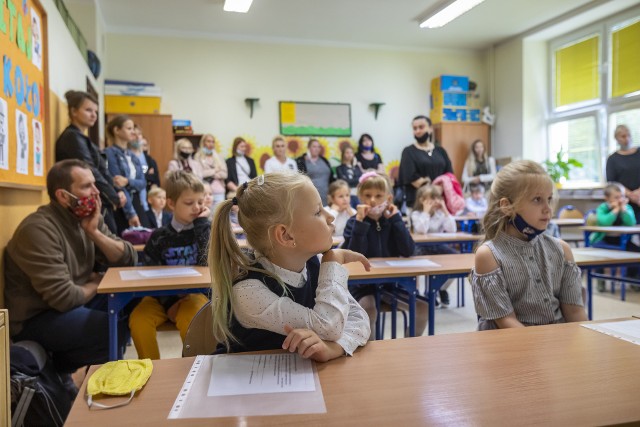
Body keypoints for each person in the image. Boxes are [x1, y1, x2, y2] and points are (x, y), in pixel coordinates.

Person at [209, 172, 370, 361]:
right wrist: (333, 263)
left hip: (297, 378)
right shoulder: (247, 290)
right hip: (244, 382)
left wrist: (334, 348)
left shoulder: (314, 263)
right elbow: (330, 326)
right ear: (285, 235)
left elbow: (358, 319)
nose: (330, 217)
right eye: (318, 212)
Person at [4, 159, 137, 371]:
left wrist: (94, 233)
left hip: (76, 299)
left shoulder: (86, 219)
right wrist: (97, 283)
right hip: (37, 317)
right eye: (86, 186)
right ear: (63, 196)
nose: (96, 192)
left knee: (134, 303)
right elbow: (64, 298)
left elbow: (128, 258)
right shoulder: (38, 230)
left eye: (94, 184)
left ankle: (70, 371)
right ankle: (62, 373)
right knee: (109, 330)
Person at [471, 160, 587, 330]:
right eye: (537, 200)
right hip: (512, 346)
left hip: (556, 342)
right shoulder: (489, 255)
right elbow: (506, 322)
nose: (548, 208)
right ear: (507, 206)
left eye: (549, 199)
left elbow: (575, 313)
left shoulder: (562, 250)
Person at [129, 171, 211, 359]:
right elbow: (149, 271)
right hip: (160, 297)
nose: (197, 208)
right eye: (189, 203)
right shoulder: (159, 236)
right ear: (171, 204)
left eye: (200, 202)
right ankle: (152, 370)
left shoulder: (204, 229)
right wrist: (170, 303)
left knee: (193, 321)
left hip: (195, 295)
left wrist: (202, 224)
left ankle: (193, 368)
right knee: (139, 320)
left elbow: (208, 262)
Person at [343, 172, 426, 338]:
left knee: (422, 307)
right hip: (362, 286)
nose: (372, 200)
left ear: (388, 198)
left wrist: (396, 220)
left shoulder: (393, 220)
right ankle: (372, 353)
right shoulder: (354, 222)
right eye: (367, 195)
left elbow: (409, 250)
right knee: (368, 309)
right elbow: (353, 256)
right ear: (359, 197)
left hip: (392, 284)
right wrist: (360, 222)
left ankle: (411, 344)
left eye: (378, 196)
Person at [55, 90, 123, 234]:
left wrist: (117, 191)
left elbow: (103, 171)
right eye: (88, 110)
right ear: (73, 111)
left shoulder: (82, 138)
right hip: (83, 204)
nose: (94, 115)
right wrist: (113, 196)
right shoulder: (72, 138)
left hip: (95, 202)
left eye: (95, 111)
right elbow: (91, 171)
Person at [410, 183, 458, 306]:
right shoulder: (416, 214)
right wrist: (426, 212)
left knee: (457, 261)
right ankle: (419, 293)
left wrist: (445, 211)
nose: (436, 201)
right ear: (422, 200)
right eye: (432, 198)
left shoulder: (440, 214)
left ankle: (440, 289)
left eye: (438, 198)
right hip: (420, 247)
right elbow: (421, 230)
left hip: (438, 246)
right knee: (413, 265)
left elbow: (452, 230)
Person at [399, 115, 453, 210]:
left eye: (421, 127)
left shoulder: (440, 151)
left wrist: (440, 189)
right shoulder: (408, 152)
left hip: (441, 203)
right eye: (415, 128)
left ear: (430, 128)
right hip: (419, 204)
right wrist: (433, 191)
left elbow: (449, 174)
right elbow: (411, 177)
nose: (417, 131)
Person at [105, 115, 146, 233]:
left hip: (137, 201)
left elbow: (142, 183)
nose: (133, 132)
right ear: (117, 130)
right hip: (123, 204)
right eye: (129, 128)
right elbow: (118, 184)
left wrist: (128, 181)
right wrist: (130, 213)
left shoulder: (133, 156)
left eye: (133, 128)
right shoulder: (109, 153)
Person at [606, 125, 640, 222]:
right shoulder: (612, 159)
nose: (627, 138)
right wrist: (631, 195)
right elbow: (612, 182)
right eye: (623, 136)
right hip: (623, 201)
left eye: (628, 135)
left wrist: (638, 193)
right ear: (616, 138)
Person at [296, 138, 335, 206]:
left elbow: (331, 178)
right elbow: (300, 179)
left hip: (326, 196)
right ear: (308, 148)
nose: (316, 149)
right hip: (311, 197)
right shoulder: (302, 161)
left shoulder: (324, 160)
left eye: (318, 147)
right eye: (314, 146)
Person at [195, 133, 228, 209]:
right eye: (208, 141)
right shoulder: (198, 156)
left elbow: (224, 174)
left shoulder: (219, 157)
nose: (211, 144)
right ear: (203, 143)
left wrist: (209, 173)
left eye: (213, 142)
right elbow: (200, 174)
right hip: (204, 192)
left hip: (219, 191)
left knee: (218, 216)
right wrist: (215, 170)